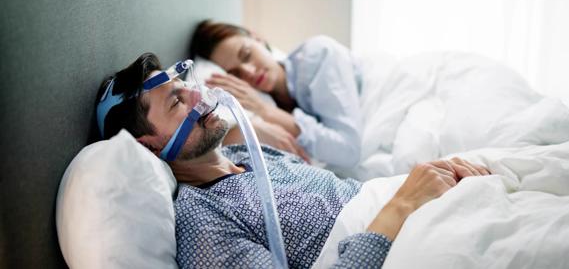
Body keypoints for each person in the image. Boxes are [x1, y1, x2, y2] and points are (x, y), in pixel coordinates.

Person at [96, 52, 490, 268]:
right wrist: (403, 203)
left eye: (187, 87)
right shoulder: (201, 222)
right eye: (178, 102)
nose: (200, 97)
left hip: (423, 210)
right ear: (148, 147)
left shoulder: (247, 154)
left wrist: (424, 183)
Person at [189, 20, 363, 169]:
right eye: (236, 74)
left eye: (246, 55)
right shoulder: (272, 100)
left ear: (258, 38)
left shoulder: (318, 55)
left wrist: (265, 110)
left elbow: (349, 151)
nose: (249, 71)